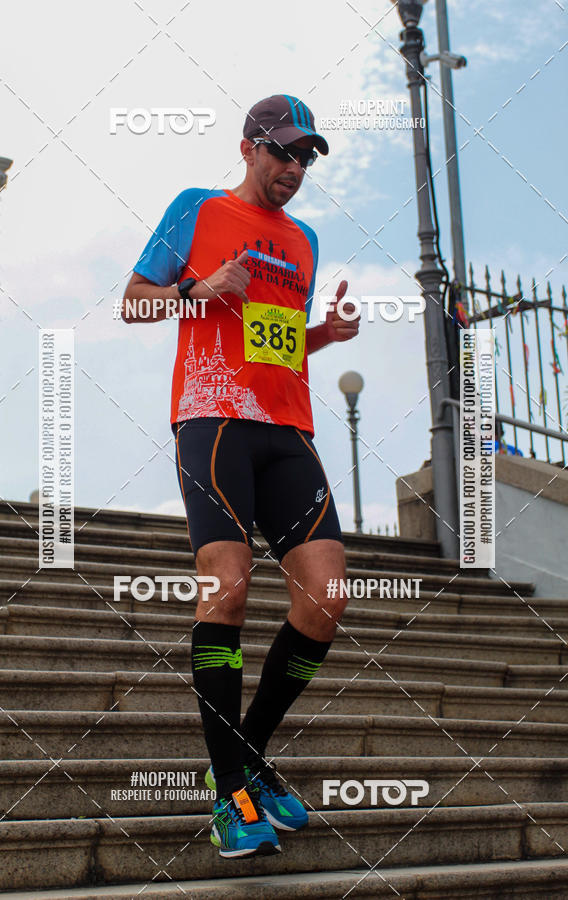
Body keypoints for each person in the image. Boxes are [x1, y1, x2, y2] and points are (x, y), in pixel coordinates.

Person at [123, 94, 360, 859]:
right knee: (227, 583)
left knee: (327, 596)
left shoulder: (304, 240)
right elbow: (131, 303)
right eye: (282, 153)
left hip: (287, 426)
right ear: (248, 148)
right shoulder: (196, 209)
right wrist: (198, 291)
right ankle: (230, 792)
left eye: (304, 158)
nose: (293, 169)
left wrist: (326, 332)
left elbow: (277, 344)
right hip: (212, 419)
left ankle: (244, 759)